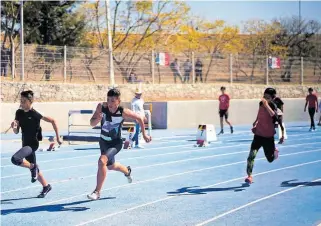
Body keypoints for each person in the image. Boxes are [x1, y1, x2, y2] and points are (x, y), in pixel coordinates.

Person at [87, 88, 152, 200]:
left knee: (102, 161)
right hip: (103, 141)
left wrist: (145, 135)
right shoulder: (101, 107)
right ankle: (127, 171)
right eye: (108, 100)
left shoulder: (123, 112)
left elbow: (140, 118)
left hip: (115, 143)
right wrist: (97, 118)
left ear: (118, 101)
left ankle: (97, 192)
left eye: (113, 101)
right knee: (111, 166)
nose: (110, 103)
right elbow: (92, 123)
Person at [11, 90, 62, 198]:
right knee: (33, 168)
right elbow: (16, 131)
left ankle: (33, 167)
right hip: (25, 144)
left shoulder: (35, 113)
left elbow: (53, 121)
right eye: (21, 100)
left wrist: (57, 137)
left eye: (24, 101)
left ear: (30, 102)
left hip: (33, 144)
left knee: (15, 159)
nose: (21, 103)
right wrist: (14, 127)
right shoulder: (18, 113)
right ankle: (46, 186)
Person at [245, 88, 280, 184]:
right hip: (258, 135)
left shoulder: (273, 105)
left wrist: (267, 105)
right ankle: (249, 176)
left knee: (270, 159)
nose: (264, 98)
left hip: (268, 137)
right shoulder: (261, 104)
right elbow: (259, 112)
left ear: (272, 98)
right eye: (264, 96)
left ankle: (274, 152)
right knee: (251, 156)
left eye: (267, 97)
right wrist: (256, 121)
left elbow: (275, 117)